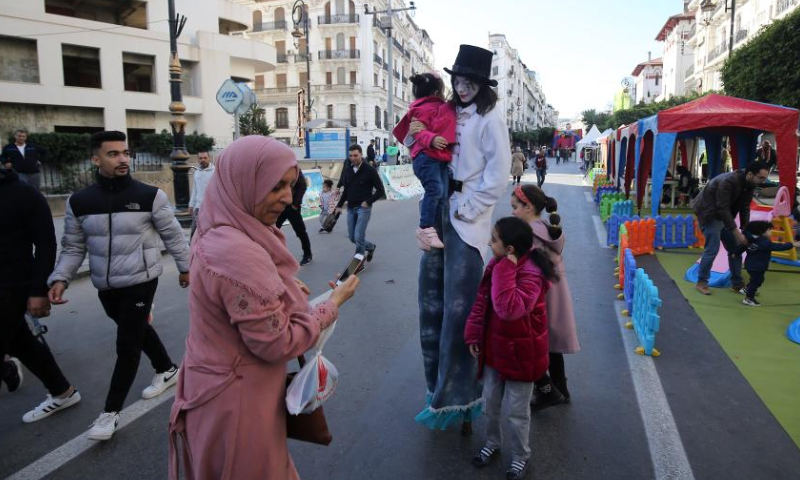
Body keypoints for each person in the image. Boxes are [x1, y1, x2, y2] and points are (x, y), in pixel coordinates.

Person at [168, 136, 360, 480]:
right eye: (276, 187)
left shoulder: (219, 228)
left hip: (217, 390)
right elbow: (277, 342)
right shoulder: (238, 251)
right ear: (244, 182)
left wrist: (282, 291)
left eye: (290, 185)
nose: (287, 197)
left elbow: (235, 302)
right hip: (237, 404)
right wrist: (332, 303)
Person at [47, 131, 190, 441]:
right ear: (95, 159)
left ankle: (109, 414)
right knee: (136, 329)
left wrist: (186, 267)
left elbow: (174, 236)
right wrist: (60, 278)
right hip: (105, 285)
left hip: (141, 280)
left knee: (127, 345)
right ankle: (166, 369)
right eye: (113, 154)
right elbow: (73, 247)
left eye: (125, 152)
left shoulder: (151, 196)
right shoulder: (81, 201)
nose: (123, 158)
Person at [408, 44, 512, 434]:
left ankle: (463, 396)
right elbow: (416, 141)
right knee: (430, 302)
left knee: (460, 311)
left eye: (470, 81)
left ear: (482, 84)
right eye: (458, 80)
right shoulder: (447, 111)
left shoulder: (490, 118)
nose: (463, 87)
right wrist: (418, 134)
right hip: (439, 209)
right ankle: (436, 389)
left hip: (466, 220)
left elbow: (497, 176)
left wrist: (467, 209)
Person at [464, 217, 554, 480]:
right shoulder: (496, 264)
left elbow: (509, 308)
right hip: (494, 351)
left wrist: (506, 269)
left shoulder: (531, 274)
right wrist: (473, 335)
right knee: (490, 404)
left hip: (521, 357)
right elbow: (482, 302)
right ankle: (492, 443)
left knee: (517, 413)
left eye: (494, 240)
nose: (490, 243)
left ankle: (520, 456)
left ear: (510, 249)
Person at [0, 166, 81, 422]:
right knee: (20, 342)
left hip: (11, 287)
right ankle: (62, 391)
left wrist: (38, 290)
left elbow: (46, 244)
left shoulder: (23, 194)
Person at [511, 185, 580, 409]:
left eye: (515, 207)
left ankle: (547, 390)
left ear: (528, 207)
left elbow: (525, 271)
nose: (512, 212)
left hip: (538, 298)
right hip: (553, 296)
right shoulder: (546, 229)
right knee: (550, 345)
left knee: (532, 345)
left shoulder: (529, 235)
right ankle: (561, 389)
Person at [393, 72, 457, 250]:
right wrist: (432, 139)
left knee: (442, 196)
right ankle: (425, 229)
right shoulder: (423, 108)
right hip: (426, 157)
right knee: (435, 190)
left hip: (439, 159)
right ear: (438, 90)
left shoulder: (439, 106)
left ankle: (436, 230)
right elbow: (418, 132)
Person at [691, 162, 769, 295]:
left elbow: (745, 207)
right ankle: (701, 282)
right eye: (761, 178)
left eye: (764, 178)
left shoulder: (750, 184)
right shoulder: (728, 181)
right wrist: (735, 231)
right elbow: (722, 208)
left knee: (735, 249)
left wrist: (746, 230)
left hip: (723, 215)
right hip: (709, 213)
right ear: (750, 174)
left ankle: (737, 284)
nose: (763, 181)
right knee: (712, 249)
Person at [335, 144, 385, 258]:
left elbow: (380, 190)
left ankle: (359, 259)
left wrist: (368, 201)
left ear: (361, 155)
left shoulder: (370, 170)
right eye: (351, 156)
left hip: (364, 208)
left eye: (355, 155)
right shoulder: (348, 170)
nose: (353, 158)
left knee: (358, 236)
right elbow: (346, 190)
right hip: (351, 208)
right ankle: (370, 247)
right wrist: (339, 206)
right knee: (352, 238)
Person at [739, 221, 799, 306]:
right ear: (761, 232)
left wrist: (735, 253)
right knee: (757, 281)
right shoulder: (764, 242)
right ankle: (749, 298)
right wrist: (792, 244)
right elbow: (778, 247)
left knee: (756, 280)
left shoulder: (751, 239)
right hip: (758, 266)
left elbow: (742, 247)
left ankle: (746, 289)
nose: (771, 232)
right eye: (769, 230)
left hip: (750, 265)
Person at [277, 170, 313, 266]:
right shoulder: (273, 166)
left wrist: (295, 204)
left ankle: (307, 254)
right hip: (278, 205)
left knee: (300, 231)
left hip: (292, 206)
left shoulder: (294, 167)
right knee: (272, 231)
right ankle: (274, 256)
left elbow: (302, 186)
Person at [188, 150, 215, 239]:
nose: (203, 160)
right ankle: (193, 250)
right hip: (198, 207)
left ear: (209, 158)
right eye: (200, 158)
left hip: (211, 208)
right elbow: (195, 190)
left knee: (210, 230)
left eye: (205, 158)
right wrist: (191, 205)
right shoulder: (197, 173)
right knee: (194, 230)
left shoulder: (215, 172)